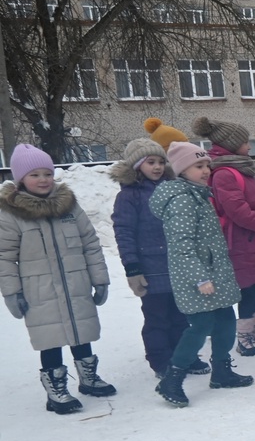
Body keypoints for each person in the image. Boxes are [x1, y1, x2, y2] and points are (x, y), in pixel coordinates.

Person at [1, 144, 115, 414]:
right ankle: (56, 390)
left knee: (81, 331)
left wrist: (100, 279)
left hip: (75, 284)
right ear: (20, 180)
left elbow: (90, 243)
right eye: (34, 175)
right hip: (38, 291)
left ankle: (88, 378)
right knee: (49, 338)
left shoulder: (69, 206)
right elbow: (4, 257)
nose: (43, 180)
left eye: (47, 174)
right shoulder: (10, 214)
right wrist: (12, 293)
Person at [149, 141, 254, 406]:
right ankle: (172, 378)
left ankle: (221, 371)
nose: (206, 170)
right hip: (197, 278)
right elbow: (181, 245)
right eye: (198, 166)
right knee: (201, 326)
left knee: (227, 321)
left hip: (215, 273)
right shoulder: (182, 200)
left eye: (207, 164)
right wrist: (200, 278)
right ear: (182, 169)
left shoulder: (199, 194)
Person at [110, 133, 208, 379]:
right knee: (157, 318)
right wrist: (132, 267)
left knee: (181, 315)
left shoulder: (173, 189)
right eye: (149, 162)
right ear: (136, 166)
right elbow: (124, 232)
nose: (156, 167)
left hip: (177, 265)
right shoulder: (129, 196)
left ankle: (184, 356)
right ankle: (161, 361)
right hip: (151, 267)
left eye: (160, 162)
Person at [192, 116, 255, 355]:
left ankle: (253, 329)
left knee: (253, 286)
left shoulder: (238, 168)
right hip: (241, 241)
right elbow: (238, 212)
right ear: (231, 144)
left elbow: (249, 203)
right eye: (245, 142)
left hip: (251, 240)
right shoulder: (225, 172)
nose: (250, 146)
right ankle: (244, 335)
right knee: (246, 287)